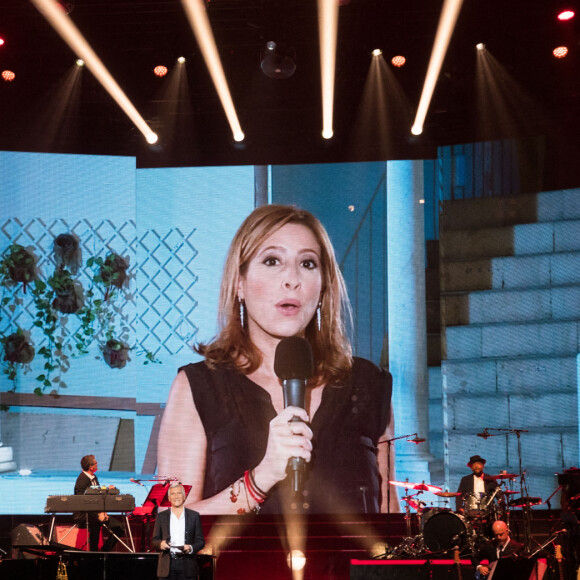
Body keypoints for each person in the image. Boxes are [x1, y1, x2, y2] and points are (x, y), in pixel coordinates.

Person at [157, 204, 395, 514]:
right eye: (272, 261)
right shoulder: (197, 387)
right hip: (240, 564)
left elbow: (390, 522)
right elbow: (169, 526)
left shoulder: (368, 384)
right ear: (239, 283)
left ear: (323, 287)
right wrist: (261, 479)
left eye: (307, 263)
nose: (292, 279)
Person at [151, 483, 205, 580]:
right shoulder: (161, 516)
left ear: (184, 497)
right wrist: (160, 544)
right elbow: (155, 540)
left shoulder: (194, 516)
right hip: (167, 566)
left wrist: (190, 547)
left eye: (179, 493)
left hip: (187, 566)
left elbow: (201, 541)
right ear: (168, 498)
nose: (176, 497)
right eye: (173, 494)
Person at [73, 454, 124, 551]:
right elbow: (82, 503)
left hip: (94, 514)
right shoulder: (82, 480)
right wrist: (97, 514)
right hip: (85, 515)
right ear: (91, 467)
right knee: (115, 527)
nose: (97, 464)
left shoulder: (94, 477)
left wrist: (108, 491)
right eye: (95, 463)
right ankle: (98, 553)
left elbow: (96, 496)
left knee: (119, 528)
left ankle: (102, 552)